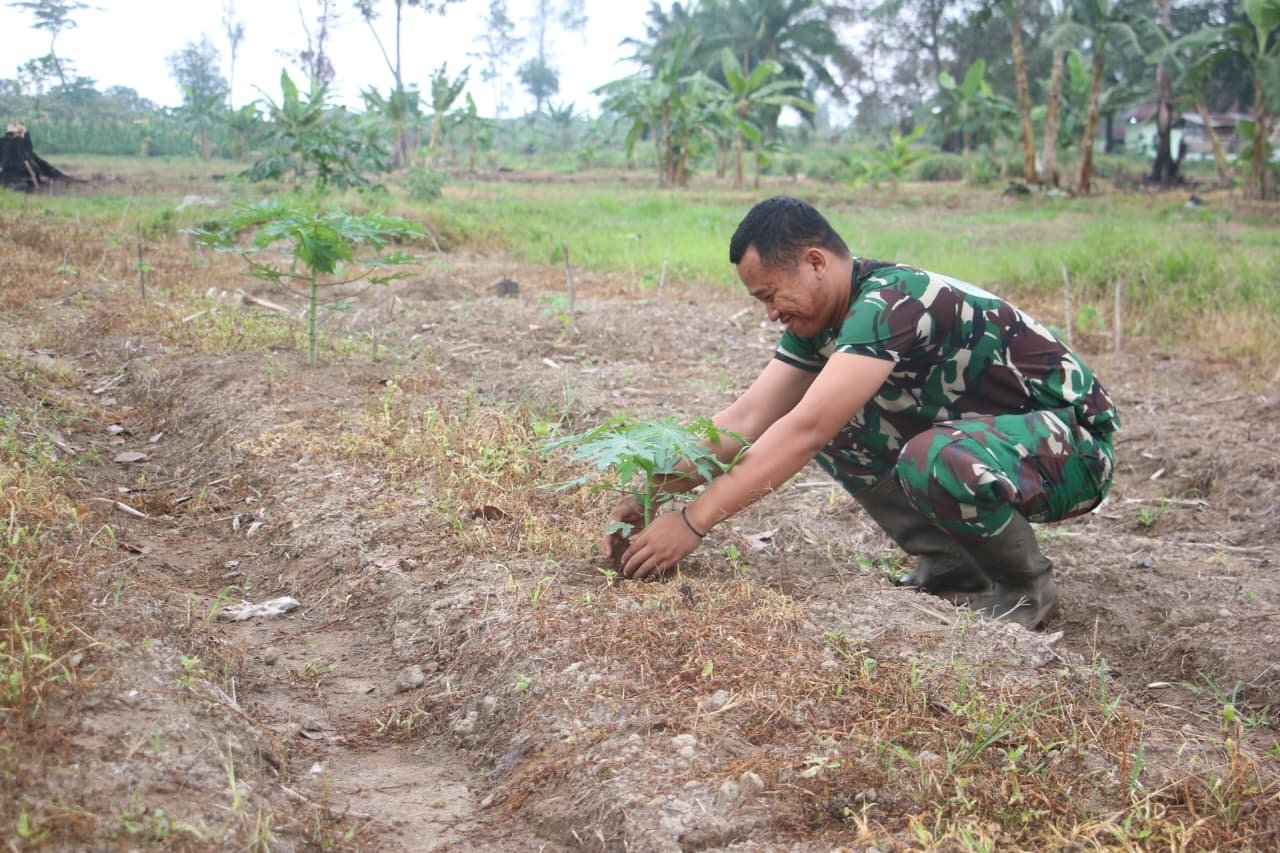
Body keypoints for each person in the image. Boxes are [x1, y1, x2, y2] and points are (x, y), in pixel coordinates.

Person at [606, 196, 1119, 629]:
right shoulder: (824, 322)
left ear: (815, 262)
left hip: (1073, 449)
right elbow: (747, 417)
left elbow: (803, 431)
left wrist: (693, 523)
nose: (769, 313)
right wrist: (655, 487)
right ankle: (952, 567)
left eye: (770, 295)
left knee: (920, 451)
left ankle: (1024, 589)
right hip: (1000, 445)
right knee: (844, 425)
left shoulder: (890, 303)